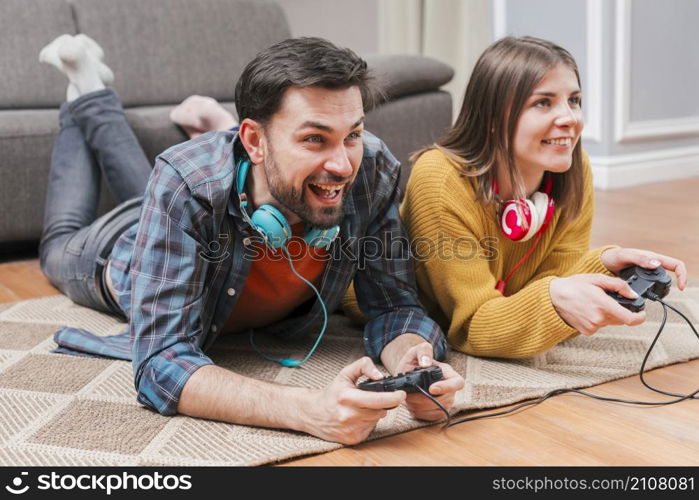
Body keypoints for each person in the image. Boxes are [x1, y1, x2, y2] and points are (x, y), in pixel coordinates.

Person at [37, 33, 464, 445]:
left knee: (148, 189)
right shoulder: (186, 182)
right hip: (117, 254)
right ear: (254, 141)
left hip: (176, 206)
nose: (342, 164)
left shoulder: (371, 168)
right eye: (314, 138)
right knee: (57, 244)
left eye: (351, 134)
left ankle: (92, 92)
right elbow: (161, 363)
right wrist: (310, 410)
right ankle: (85, 91)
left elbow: (393, 305)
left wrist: (415, 357)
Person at [346, 36, 688, 359]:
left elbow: (548, 286)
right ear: (494, 118)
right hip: (399, 308)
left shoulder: (573, 169)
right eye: (543, 102)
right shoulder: (440, 180)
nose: (569, 118)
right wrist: (556, 300)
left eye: (574, 100)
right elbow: (472, 327)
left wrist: (605, 263)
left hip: (496, 300)